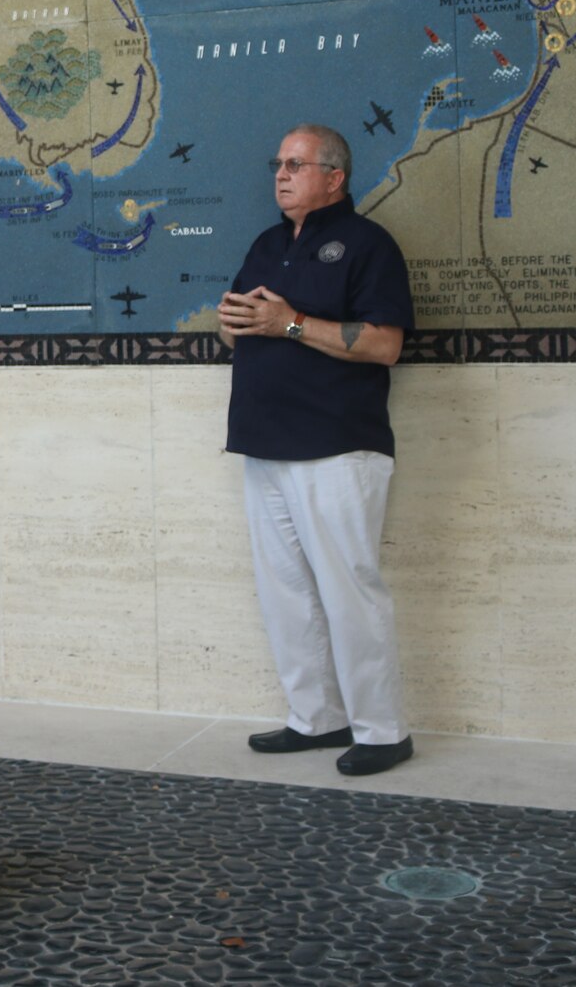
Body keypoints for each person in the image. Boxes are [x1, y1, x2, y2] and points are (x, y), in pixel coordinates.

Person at [216, 123, 415, 777]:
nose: (280, 173)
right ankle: (316, 717)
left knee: (349, 590)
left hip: (337, 447)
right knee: (285, 592)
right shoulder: (267, 244)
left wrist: (290, 323)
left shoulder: (369, 245)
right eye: (278, 162)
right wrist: (236, 326)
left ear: (334, 175)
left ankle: (383, 731)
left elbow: (385, 343)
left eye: (296, 163)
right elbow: (250, 326)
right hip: (264, 444)